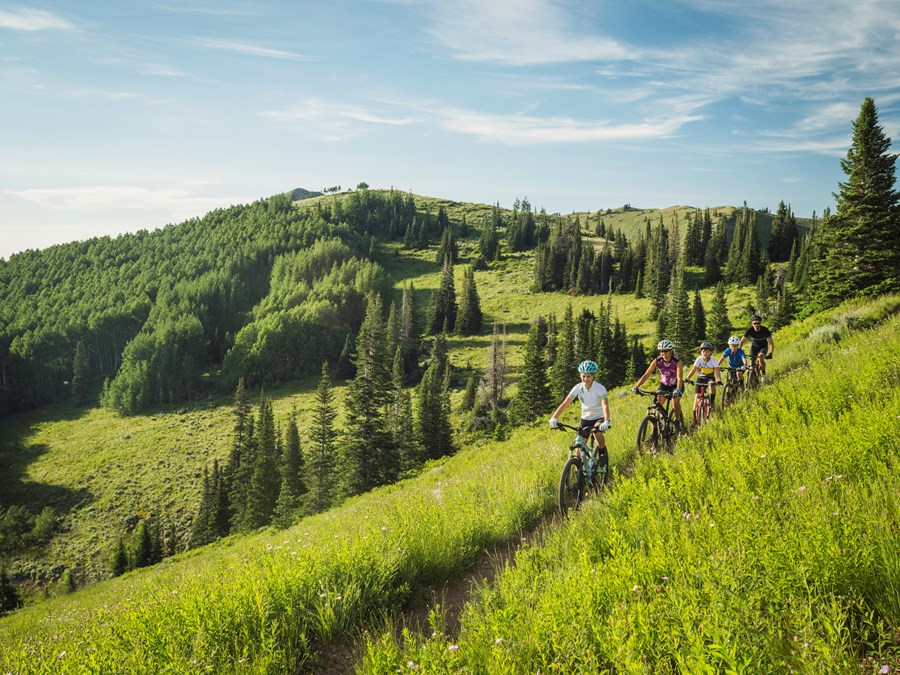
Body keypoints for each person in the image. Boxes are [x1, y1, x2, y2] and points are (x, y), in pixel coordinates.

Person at [549, 360, 611, 460]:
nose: (585, 379)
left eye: (588, 376)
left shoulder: (600, 388)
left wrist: (607, 420)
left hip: (599, 417)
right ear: (580, 375)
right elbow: (565, 403)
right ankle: (579, 471)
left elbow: (605, 405)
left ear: (593, 376)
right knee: (578, 448)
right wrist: (554, 417)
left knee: (597, 432)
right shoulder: (578, 388)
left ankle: (602, 452)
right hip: (585, 419)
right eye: (583, 376)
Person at [631, 339, 684, 430]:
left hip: (676, 385)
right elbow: (646, 375)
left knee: (675, 401)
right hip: (664, 384)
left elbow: (679, 377)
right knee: (656, 408)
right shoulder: (657, 360)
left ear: (670, 351)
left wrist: (678, 389)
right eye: (661, 351)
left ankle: (678, 419)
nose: (663, 353)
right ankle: (654, 433)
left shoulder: (677, 361)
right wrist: (636, 386)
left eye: (666, 351)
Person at [684, 341, 722, 415]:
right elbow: (694, 369)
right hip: (701, 378)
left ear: (710, 352)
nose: (705, 353)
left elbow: (717, 371)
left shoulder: (713, 360)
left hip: (710, 377)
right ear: (701, 352)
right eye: (703, 351)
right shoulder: (699, 359)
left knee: (711, 385)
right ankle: (695, 417)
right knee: (696, 398)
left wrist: (718, 380)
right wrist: (688, 377)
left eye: (707, 351)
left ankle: (711, 403)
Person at [738, 314, 774, 382]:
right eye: (754, 323)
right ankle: (751, 379)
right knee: (751, 363)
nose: (756, 325)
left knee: (760, 357)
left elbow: (771, 343)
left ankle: (763, 374)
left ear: (760, 323)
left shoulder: (765, 330)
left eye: (758, 323)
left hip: (763, 347)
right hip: (754, 347)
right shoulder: (749, 330)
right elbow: (742, 341)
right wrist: (739, 350)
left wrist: (770, 353)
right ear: (752, 323)